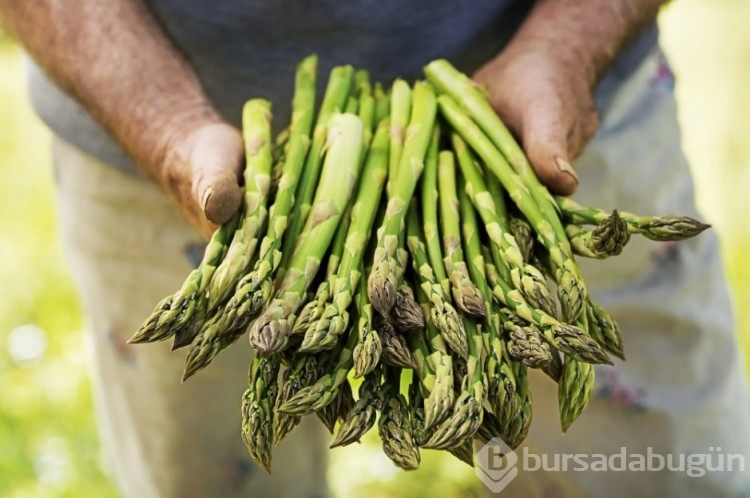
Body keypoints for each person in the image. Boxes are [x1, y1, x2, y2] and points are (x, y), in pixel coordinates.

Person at [1, 0, 748, 496]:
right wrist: (162, 119)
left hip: (549, 123)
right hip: (143, 113)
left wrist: (567, 46)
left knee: (669, 475)